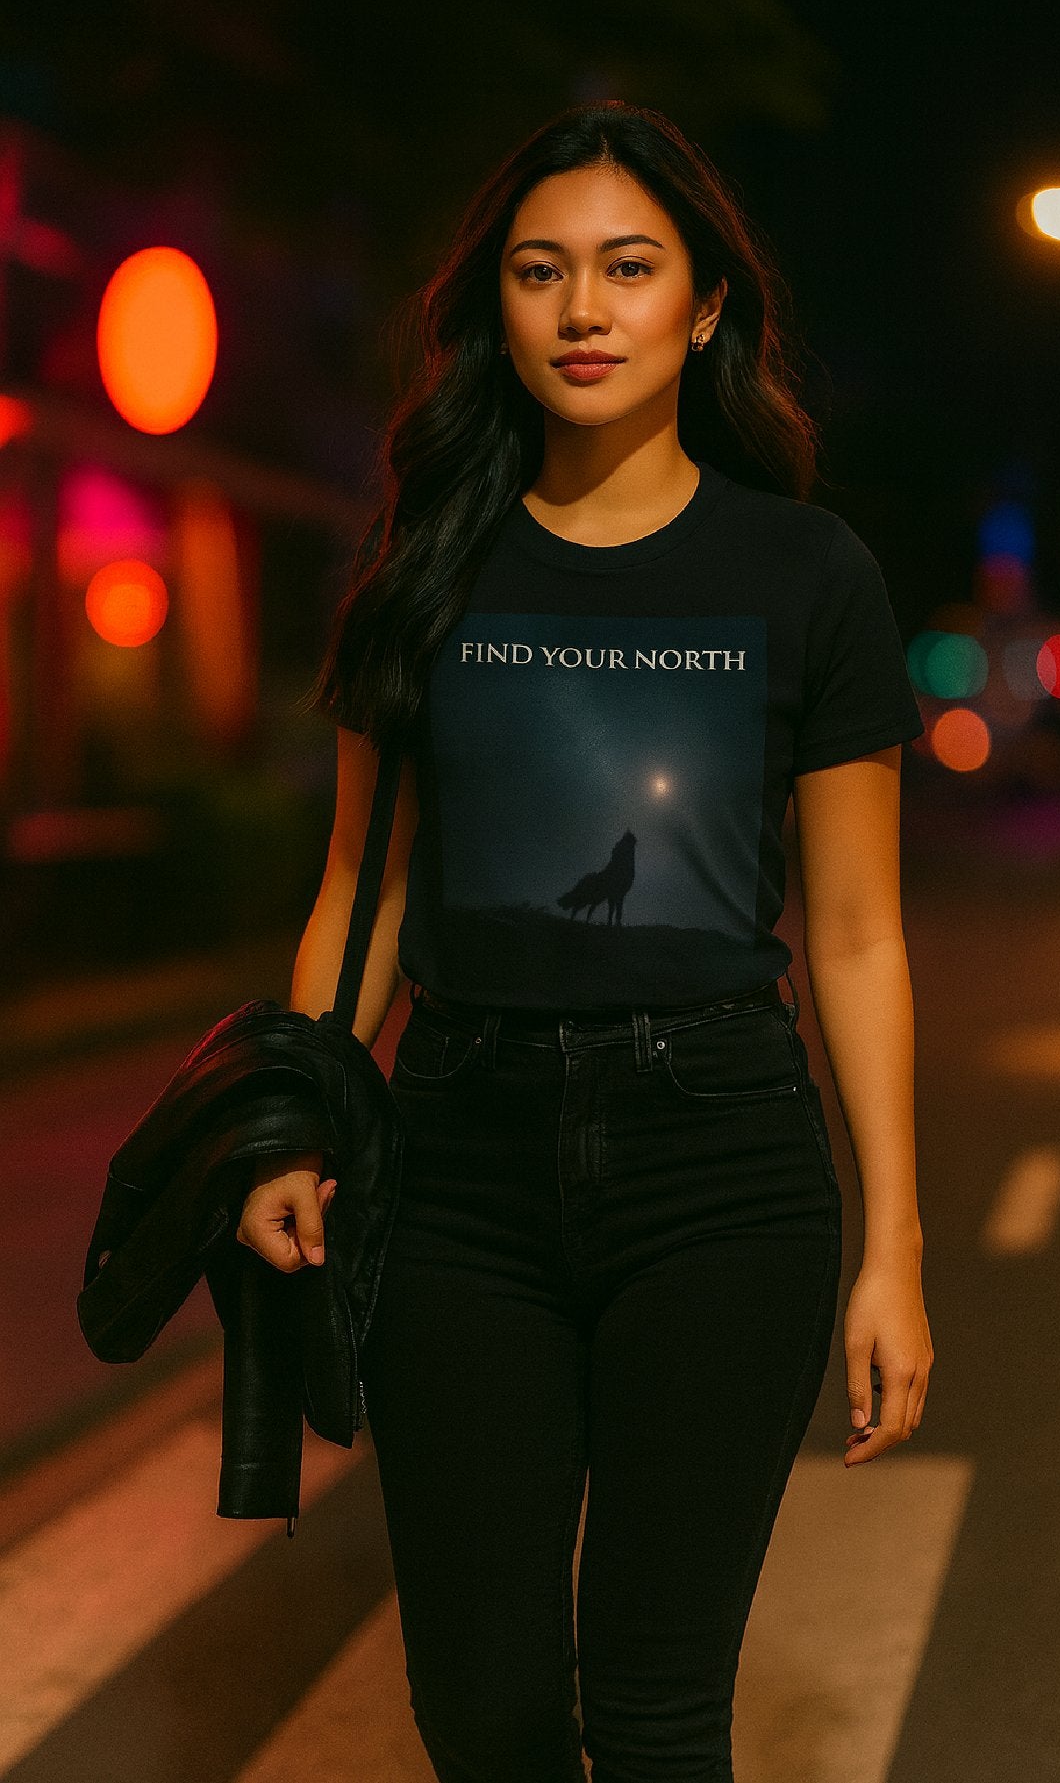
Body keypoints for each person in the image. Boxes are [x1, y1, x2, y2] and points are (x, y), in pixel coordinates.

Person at [236, 99, 933, 1783]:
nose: (581, 309)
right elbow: (361, 885)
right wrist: (293, 1119)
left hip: (720, 1167)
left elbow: (854, 934)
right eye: (539, 272)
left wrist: (894, 1245)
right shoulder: (427, 565)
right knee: (482, 1712)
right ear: (496, 308)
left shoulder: (805, 573)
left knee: (654, 1708)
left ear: (703, 307)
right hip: (455, 1171)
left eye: (628, 268)